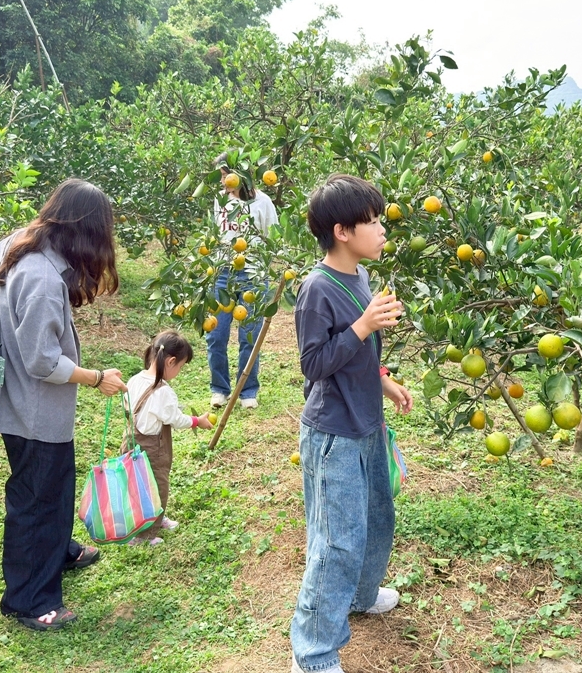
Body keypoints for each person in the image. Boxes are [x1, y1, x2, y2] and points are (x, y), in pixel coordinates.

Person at [0, 178, 129, 632]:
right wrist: (96, 378)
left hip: (17, 399)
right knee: (36, 498)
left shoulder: (14, 244)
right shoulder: (39, 277)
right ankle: (29, 600)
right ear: (86, 231)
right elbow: (41, 362)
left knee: (48, 487)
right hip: (35, 408)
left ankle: (59, 551)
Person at [290, 174, 414, 673]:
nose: (383, 229)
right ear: (342, 231)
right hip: (333, 434)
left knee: (377, 519)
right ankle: (313, 655)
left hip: (367, 421)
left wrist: (384, 381)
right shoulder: (316, 290)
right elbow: (314, 365)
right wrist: (364, 325)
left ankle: (361, 596)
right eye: (373, 221)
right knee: (336, 540)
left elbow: (361, 353)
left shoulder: (359, 277)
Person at [122, 330, 214, 546]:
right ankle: (144, 536)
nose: (179, 372)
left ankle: (155, 518)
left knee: (138, 487)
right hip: (153, 447)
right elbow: (175, 419)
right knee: (157, 485)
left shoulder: (135, 379)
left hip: (130, 441)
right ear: (171, 361)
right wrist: (196, 421)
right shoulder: (163, 391)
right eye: (180, 367)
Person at [207, 154, 278, 409]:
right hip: (223, 272)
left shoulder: (263, 202)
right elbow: (217, 233)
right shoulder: (220, 200)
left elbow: (273, 238)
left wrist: (259, 266)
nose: (223, 181)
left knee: (249, 335)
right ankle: (219, 388)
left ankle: (247, 391)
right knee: (216, 333)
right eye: (221, 176)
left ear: (241, 174)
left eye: (226, 175)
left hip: (252, 275)